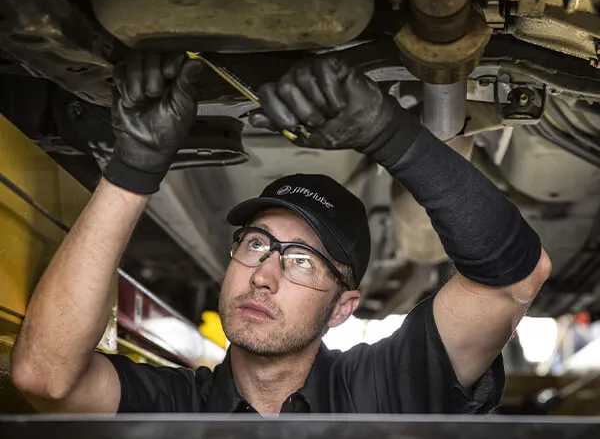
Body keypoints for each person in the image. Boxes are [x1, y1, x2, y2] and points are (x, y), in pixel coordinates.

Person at [11, 53, 551, 415]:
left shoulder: (384, 388)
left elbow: (511, 279)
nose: (264, 275)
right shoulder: (176, 403)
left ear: (344, 307)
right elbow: (44, 376)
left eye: (301, 261)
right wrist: (133, 169)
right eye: (256, 245)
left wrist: (393, 135)